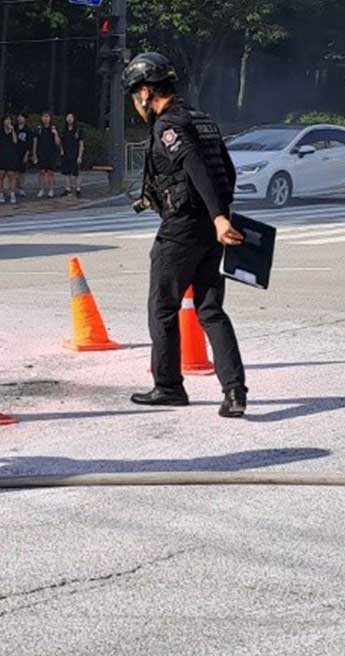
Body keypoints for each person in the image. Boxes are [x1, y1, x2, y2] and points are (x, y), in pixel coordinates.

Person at [123, 52, 249, 418]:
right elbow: (227, 171)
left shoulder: (169, 125)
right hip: (210, 229)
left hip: (183, 227)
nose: (136, 104)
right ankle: (235, 392)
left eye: (135, 96)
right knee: (210, 309)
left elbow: (194, 165)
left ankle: (168, 387)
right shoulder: (201, 119)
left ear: (146, 92)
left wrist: (218, 218)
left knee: (163, 308)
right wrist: (220, 216)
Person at [31, 111, 61, 198]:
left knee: (51, 172)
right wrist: (34, 154)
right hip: (41, 153)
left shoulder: (54, 128)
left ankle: (51, 190)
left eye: (47, 117)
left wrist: (55, 133)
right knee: (42, 172)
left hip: (51, 153)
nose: (45, 118)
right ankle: (41, 189)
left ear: (50, 118)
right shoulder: (38, 129)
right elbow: (35, 142)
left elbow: (58, 143)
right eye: (44, 116)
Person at [0, 115, 21, 204]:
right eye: (6, 120)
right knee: (1, 175)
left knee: (11, 175)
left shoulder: (15, 131)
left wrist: (12, 131)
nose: (8, 121)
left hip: (11, 155)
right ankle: (1, 193)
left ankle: (12, 193)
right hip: (2, 155)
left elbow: (15, 141)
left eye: (9, 120)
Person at [60, 112, 85, 198]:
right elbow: (61, 142)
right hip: (66, 153)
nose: (69, 119)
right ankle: (68, 189)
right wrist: (62, 151)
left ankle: (78, 189)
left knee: (76, 173)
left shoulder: (78, 130)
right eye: (68, 117)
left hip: (75, 154)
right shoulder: (64, 130)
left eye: (71, 117)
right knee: (67, 172)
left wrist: (80, 156)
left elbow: (81, 143)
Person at [15, 113, 31, 197]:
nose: (20, 118)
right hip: (14, 152)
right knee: (14, 171)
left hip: (23, 152)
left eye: (22, 117)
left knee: (22, 171)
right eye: (19, 117)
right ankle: (14, 187)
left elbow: (29, 143)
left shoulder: (28, 130)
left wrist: (27, 154)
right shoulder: (14, 128)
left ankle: (21, 188)